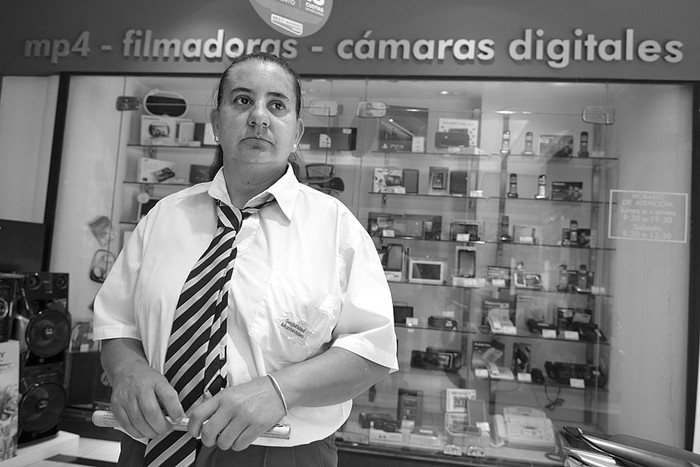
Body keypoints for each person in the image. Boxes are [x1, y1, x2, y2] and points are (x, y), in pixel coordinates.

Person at [93, 51, 398, 467]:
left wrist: (279, 389)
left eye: (277, 105)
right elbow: (117, 321)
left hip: (277, 453)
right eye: (241, 101)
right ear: (217, 123)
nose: (259, 117)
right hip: (149, 444)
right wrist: (127, 369)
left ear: (296, 132)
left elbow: (372, 351)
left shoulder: (337, 229)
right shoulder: (163, 217)